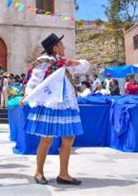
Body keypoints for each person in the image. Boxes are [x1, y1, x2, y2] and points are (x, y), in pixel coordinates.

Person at [21, 33, 90, 186]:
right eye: (61, 45)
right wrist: (28, 97)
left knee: (69, 138)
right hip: (50, 104)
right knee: (46, 138)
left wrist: (73, 62)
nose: (64, 47)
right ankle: (39, 172)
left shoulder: (66, 63)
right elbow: (33, 82)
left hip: (66, 104)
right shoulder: (44, 63)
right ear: (55, 48)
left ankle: (64, 174)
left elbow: (86, 66)